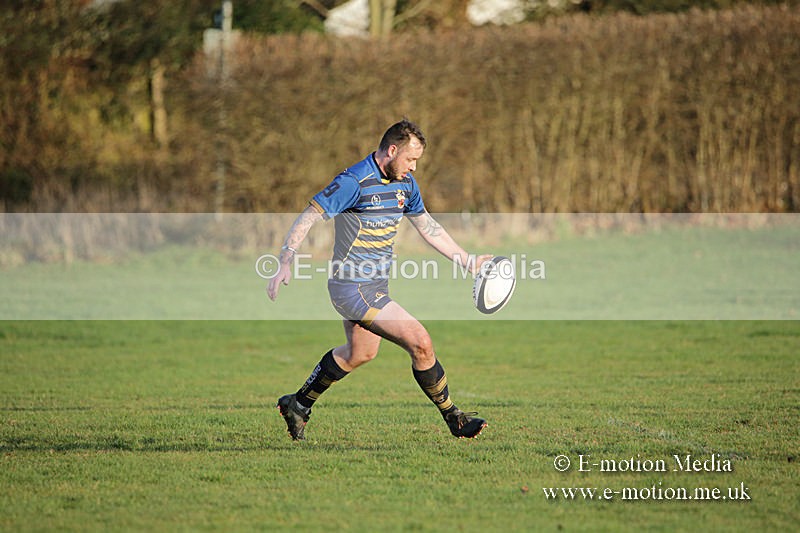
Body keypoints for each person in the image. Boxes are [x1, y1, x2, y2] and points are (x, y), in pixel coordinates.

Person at [268, 119, 491, 440]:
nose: (414, 167)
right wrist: (285, 259)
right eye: (411, 159)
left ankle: (298, 404)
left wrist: (467, 260)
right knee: (421, 342)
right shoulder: (354, 181)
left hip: (374, 286)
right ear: (392, 150)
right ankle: (454, 418)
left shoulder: (406, 185)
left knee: (360, 353)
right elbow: (310, 214)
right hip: (351, 287)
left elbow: (428, 227)